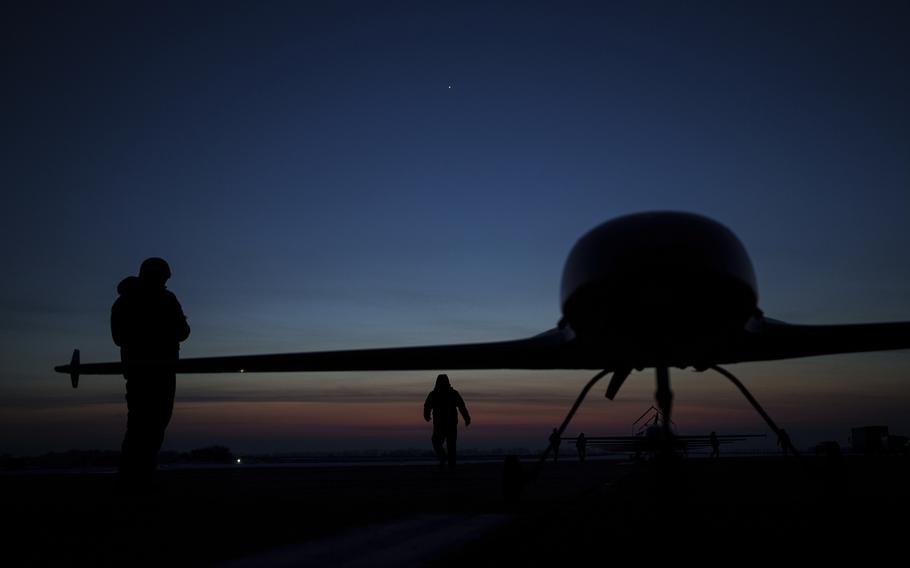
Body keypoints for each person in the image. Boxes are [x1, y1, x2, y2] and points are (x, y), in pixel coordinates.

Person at [111, 257, 190, 484]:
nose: (165, 281)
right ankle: (136, 476)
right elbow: (183, 331)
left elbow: (118, 337)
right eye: (163, 277)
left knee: (142, 423)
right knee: (149, 424)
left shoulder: (123, 302)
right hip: (158, 370)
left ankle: (136, 474)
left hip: (139, 372)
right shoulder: (166, 300)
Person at [423, 374, 470, 469]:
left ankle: (448, 462)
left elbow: (461, 406)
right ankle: (445, 460)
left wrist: (467, 418)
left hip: (447, 424)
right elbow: (427, 407)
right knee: (442, 443)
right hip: (443, 424)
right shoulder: (436, 394)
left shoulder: (449, 393)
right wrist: (426, 415)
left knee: (448, 444)